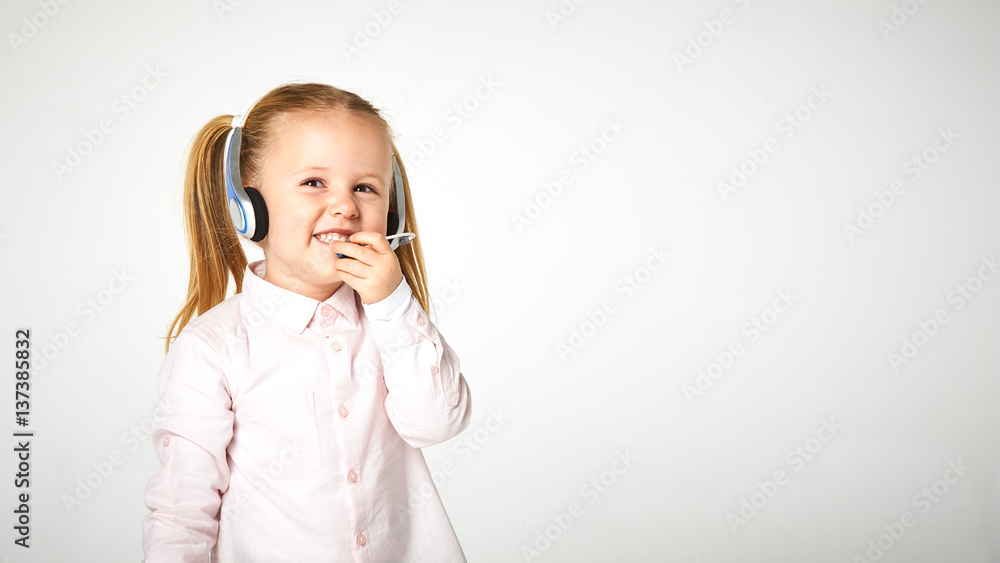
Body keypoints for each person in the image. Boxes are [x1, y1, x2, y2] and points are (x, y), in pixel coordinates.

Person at [141, 82, 472, 562]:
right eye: (314, 182)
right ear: (248, 205)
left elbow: (437, 424)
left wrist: (392, 303)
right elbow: (182, 513)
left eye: (365, 187)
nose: (346, 206)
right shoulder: (212, 347)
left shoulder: (393, 325)